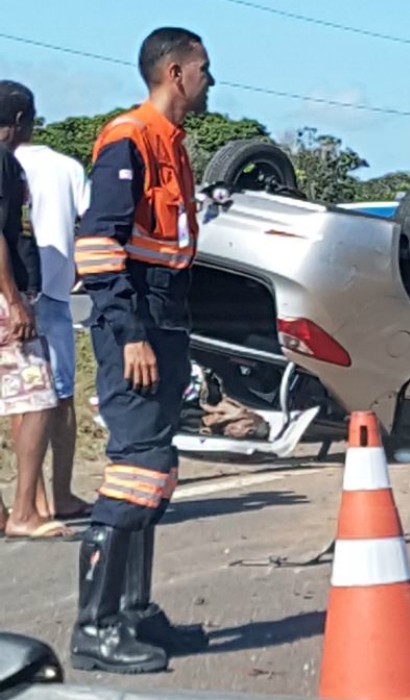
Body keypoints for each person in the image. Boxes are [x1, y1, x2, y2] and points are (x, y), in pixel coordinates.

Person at [69, 27, 214, 674]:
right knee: (135, 470)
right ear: (176, 73)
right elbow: (99, 247)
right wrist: (128, 334)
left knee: (157, 471)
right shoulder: (129, 138)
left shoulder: (172, 146)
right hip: (136, 324)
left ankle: (134, 612)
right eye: (205, 69)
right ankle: (95, 627)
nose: (212, 81)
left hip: (167, 317)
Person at [0, 80, 68, 541]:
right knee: (40, 398)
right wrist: (14, 299)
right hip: (5, 296)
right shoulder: (3, 161)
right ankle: (24, 511)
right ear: (21, 120)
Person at [15, 119, 92, 522]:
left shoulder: (9, 163)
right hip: (53, 292)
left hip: (13, 292)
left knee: (22, 397)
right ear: (26, 121)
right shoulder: (67, 167)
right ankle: (57, 495)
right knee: (59, 397)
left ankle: (32, 501)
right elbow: (90, 223)